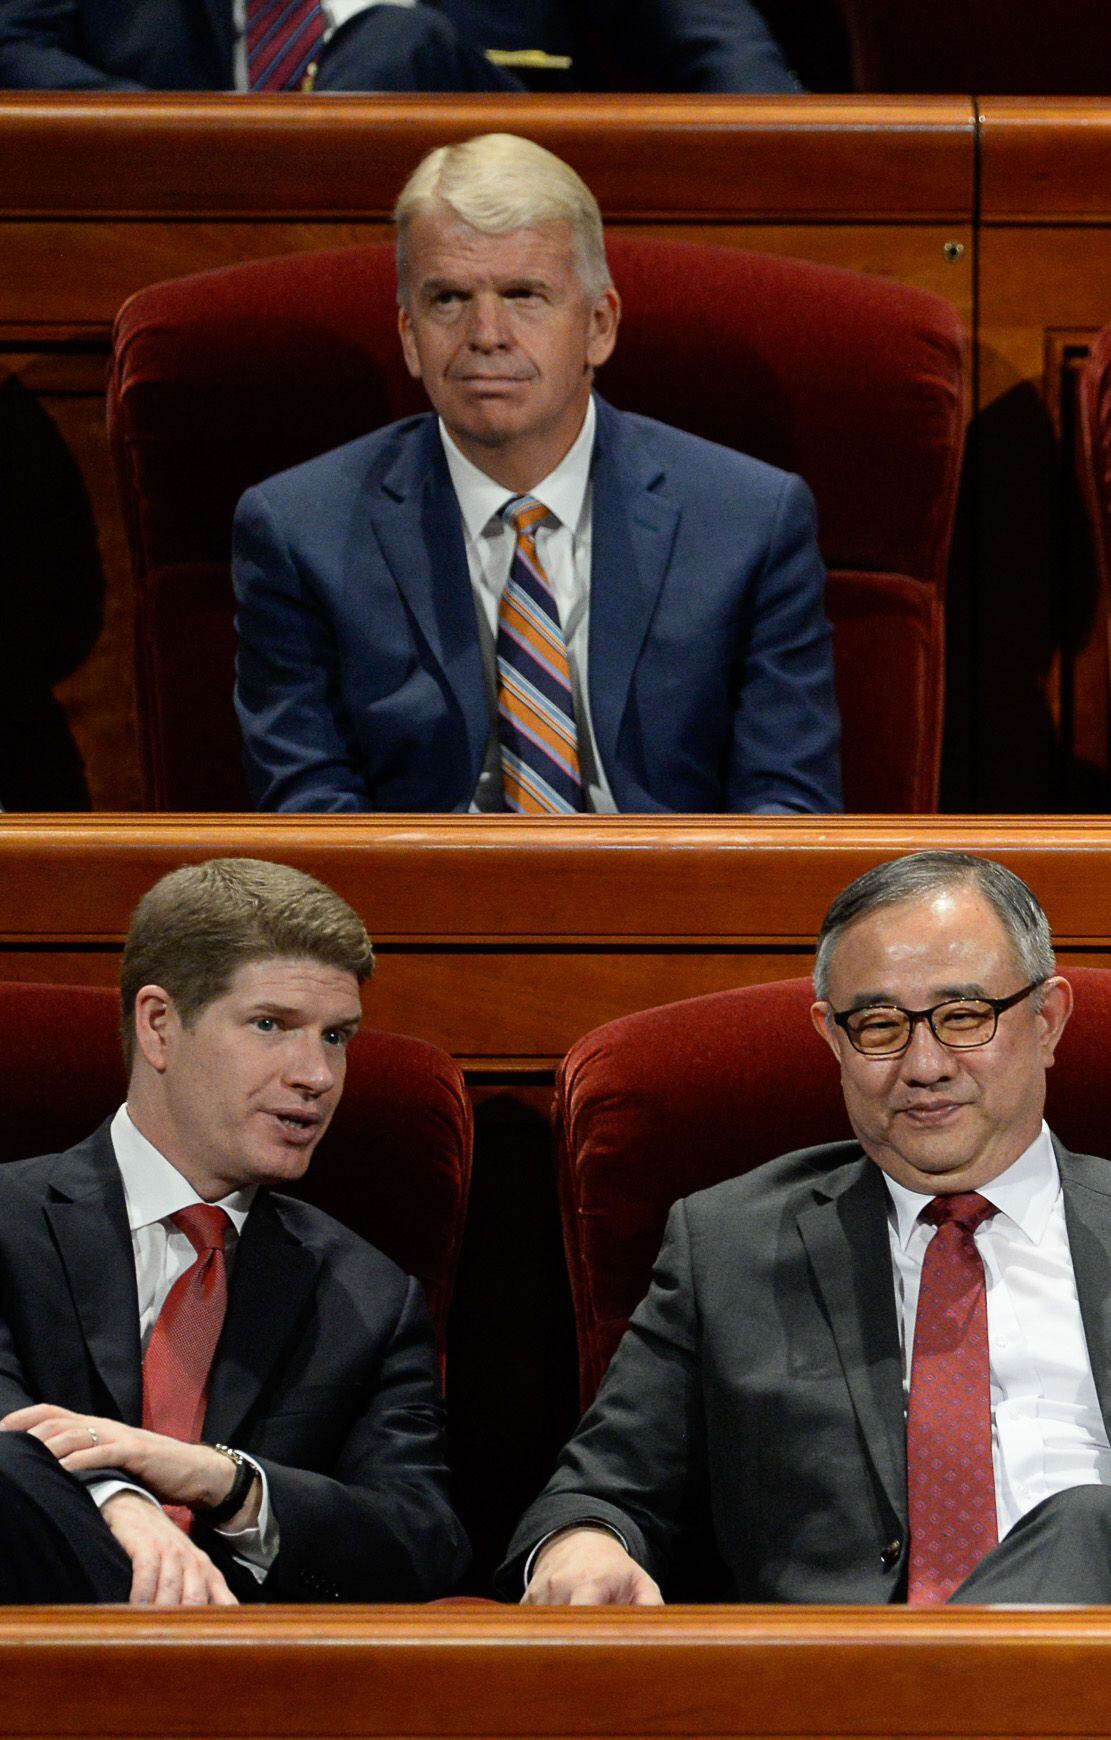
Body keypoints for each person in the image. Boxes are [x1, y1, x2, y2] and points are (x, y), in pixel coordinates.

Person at [505, 851, 1111, 1604]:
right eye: (878, 1026)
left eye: (964, 1016)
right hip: (846, 1698)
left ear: (1050, 1018)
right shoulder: (731, 1245)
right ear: (829, 1037)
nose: (926, 1064)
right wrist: (581, 1542)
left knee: (1090, 1518)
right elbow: (599, 1488)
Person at [231, 132, 843, 814]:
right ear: (408, 336)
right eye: (448, 300)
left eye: (525, 294)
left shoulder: (750, 520)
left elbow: (788, 807)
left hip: (673, 906)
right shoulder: (296, 531)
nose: (486, 333)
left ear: (599, 326)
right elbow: (310, 812)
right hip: (414, 910)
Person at [0, 859, 465, 1604]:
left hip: (249, 1692)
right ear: (159, 1025)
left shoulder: (370, 1298)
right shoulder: (9, 1222)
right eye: (271, 1025)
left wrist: (225, 1479)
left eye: (337, 1036)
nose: (316, 1073)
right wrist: (119, 1501)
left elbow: (421, 1542)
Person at [0, 0, 796, 93]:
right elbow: (11, 42)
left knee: (394, 43)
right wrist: (196, 145)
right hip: (177, 219)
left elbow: (722, 51)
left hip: (497, 207)